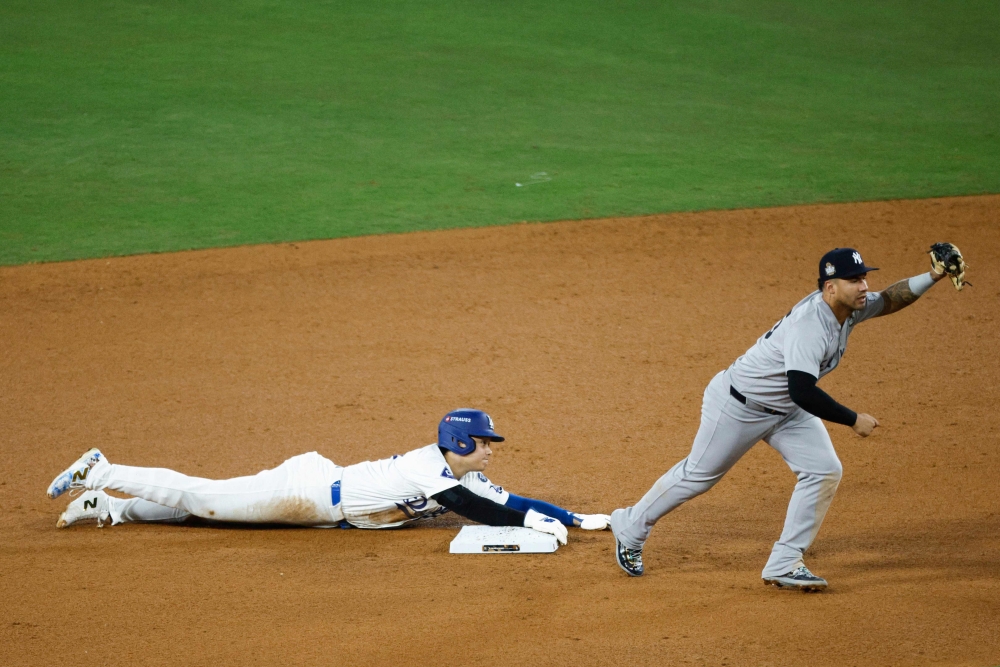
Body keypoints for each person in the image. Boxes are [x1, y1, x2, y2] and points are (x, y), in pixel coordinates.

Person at [610, 245, 966, 590]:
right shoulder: (809, 325)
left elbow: (890, 299)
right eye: (854, 280)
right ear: (830, 287)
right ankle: (631, 526)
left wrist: (933, 275)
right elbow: (803, 391)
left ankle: (785, 561)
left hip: (786, 409)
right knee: (698, 475)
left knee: (824, 470)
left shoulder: (848, 308)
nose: (864, 286)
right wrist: (852, 419)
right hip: (738, 406)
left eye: (863, 277)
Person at [47, 408, 611, 542]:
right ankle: (105, 470)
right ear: (462, 442)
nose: (491, 452)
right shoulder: (427, 466)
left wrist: (575, 518)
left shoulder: (460, 477)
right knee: (209, 498)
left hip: (324, 512)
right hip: (308, 492)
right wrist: (531, 526)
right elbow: (481, 513)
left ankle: (115, 508)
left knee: (203, 516)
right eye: (485, 443)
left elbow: (508, 499)